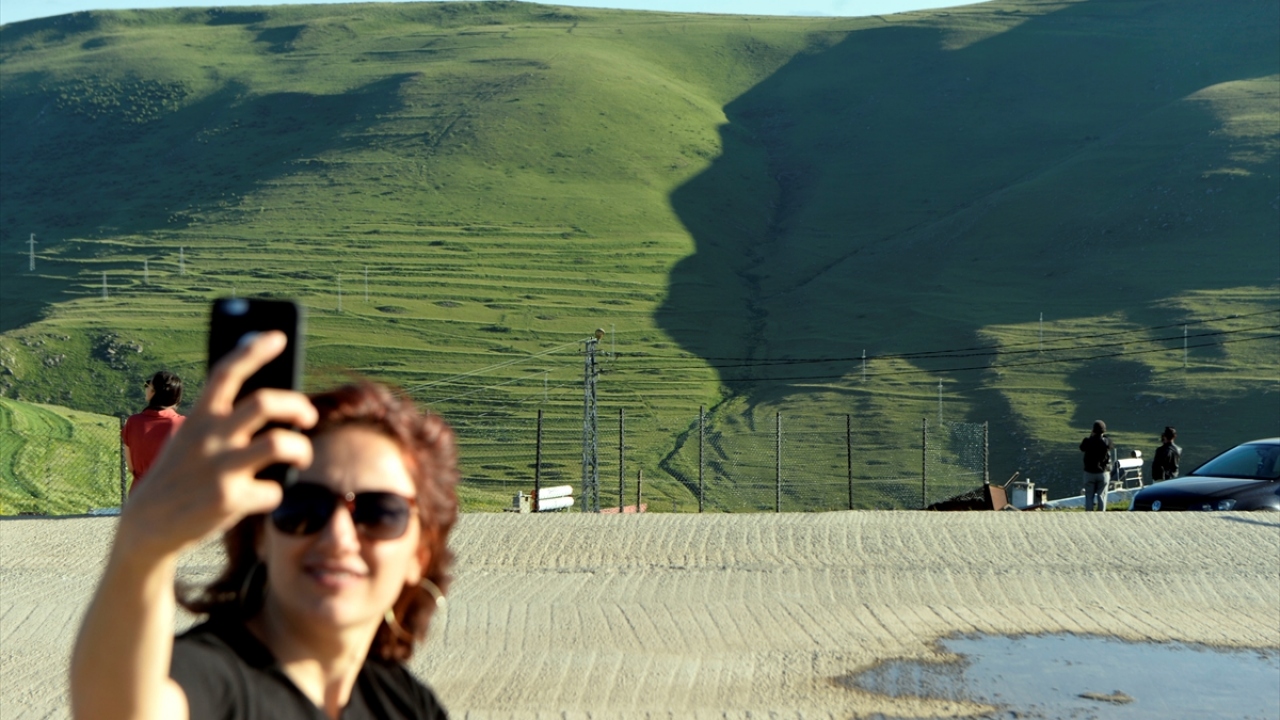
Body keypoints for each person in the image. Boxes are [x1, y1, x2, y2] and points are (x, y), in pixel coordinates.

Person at [71, 332, 458, 719]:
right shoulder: (211, 677)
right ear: (260, 532)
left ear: (420, 554)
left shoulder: (406, 704)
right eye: (303, 506)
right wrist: (143, 544)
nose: (338, 537)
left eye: (380, 513)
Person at [122, 370, 186, 493]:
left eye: (148, 385)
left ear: (154, 392)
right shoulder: (184, 425)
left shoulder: (133, 422)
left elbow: (131, 467)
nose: (145, 388)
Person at [1079, 420, 1113, 512]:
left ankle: (1089, 513)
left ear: (1093, 430)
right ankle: (1101, 514)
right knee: (1102, 495)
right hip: (1103, 472)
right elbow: (1110, 444)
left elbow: (1082, 448)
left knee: (1089, 495)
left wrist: (1092, 436)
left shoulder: (1087, 441)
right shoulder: (1107, 442)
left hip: (1089, 472)